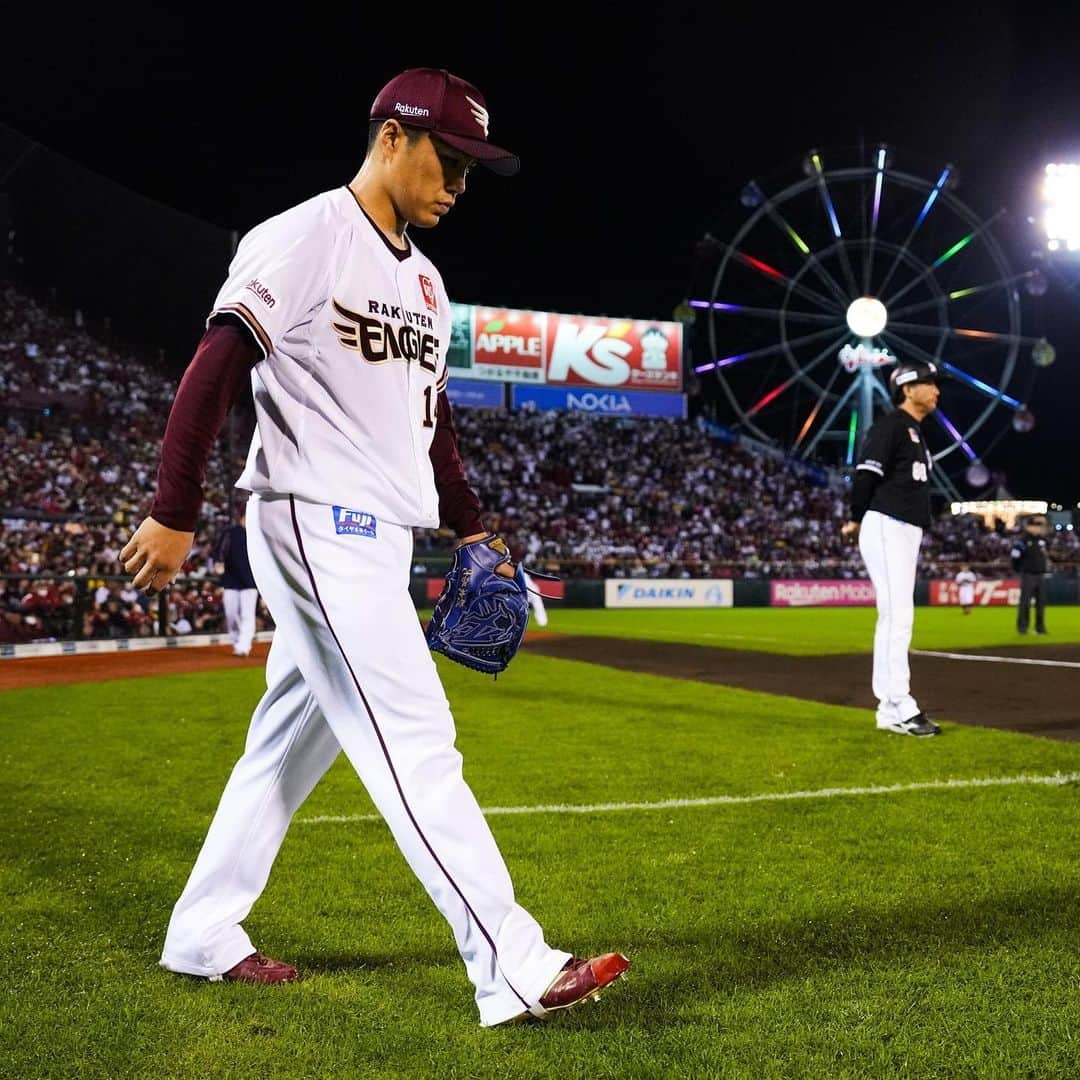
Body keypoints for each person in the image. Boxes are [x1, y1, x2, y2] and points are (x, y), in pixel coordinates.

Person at [118, 66, 628, 1027]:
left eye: (475, 171)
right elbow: (217, 361)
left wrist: (472, 523)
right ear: (391, 137)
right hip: (315, 519)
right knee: (416, 738)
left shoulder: (428, 283)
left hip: (377, 532)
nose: (461, 185)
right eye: (452, 159)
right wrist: (174, 506)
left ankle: (201, 930)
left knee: (282, 749)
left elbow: (430, 429)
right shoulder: (306, 235)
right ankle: (511, 961)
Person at [840, 359, 943, 737]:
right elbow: (867, 473)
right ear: (907, 388)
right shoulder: (892, 425)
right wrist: (855, 516)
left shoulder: (914, 431)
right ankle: (898, 703)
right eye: (929, 383)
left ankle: (890, 709)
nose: (936, 390)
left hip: (903, 526)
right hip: (886, 523)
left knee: (897, 616)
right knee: (897, 616)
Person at [211, 501, 259, 656]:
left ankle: (244, 646)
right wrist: (218, 562)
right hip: (231, 578)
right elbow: (218, 550)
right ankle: (237, 640)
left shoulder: (257, 533)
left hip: (250, 580)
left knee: (247, 614)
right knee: (230, 614)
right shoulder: (231, 532)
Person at [1011, 514, 1050, 635]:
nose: (1038, 528)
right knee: (1025, 603)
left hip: (1041, 575)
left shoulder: (1042, 541)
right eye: (1035, 526)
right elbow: (1014, 558)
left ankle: (1040, 628)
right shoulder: (1022, 541)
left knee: (1041, 603)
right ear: (1028, 527)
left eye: (1039, 526)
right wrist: (1019, 570)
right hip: (1028, 575)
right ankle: (1022, 627)